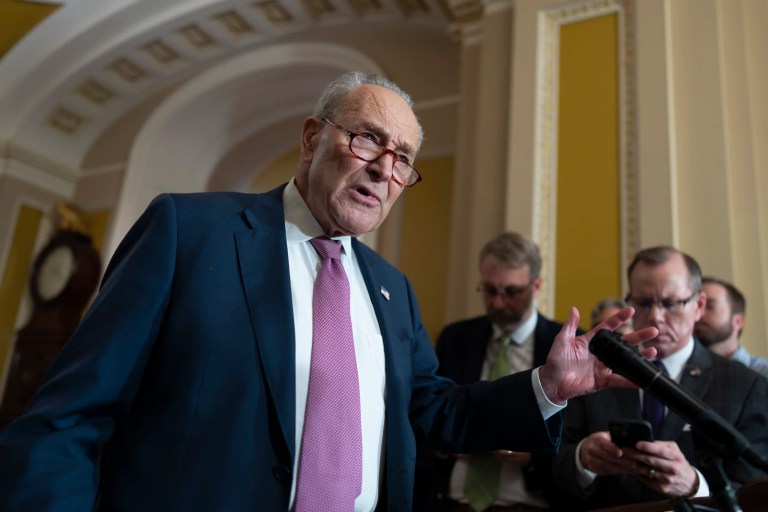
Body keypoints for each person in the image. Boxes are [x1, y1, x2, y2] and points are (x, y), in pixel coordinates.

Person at [0, 72, 655, 512]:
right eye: (367, 138)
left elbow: (437, 412)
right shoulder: (190, 233)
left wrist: (549, 385)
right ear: (313, 138)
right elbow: (66, 419)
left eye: (401, 159)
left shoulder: (391, 290)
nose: (382, 168)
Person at [551, 246, 768, 510]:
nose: (656, 316)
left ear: (698, 305)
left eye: (671, 303)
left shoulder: (745, 385)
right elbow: (548, 466)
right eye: (643, 303)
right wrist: (581, 459)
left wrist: (695, 485)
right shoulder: (595, 374)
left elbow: (757, 491)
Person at [421, 232, 572, 511]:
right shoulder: (455, 338)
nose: (499, 303)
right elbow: (427, 414)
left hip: (530, 503)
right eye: (490, 290)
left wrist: (532, 457)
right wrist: (450, 442)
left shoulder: (564, 348)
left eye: (512, 291)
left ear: (536, 286)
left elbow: (580, 440)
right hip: (452, 502)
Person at [695, 276, 768, 378]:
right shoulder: (675, 372)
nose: (698, 313)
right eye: (696, 305)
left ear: (738, 321)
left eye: (710, 306)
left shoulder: (763, 374)